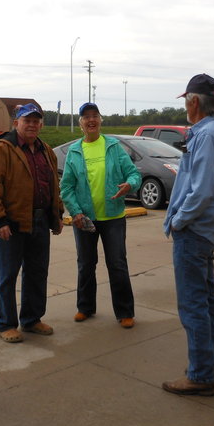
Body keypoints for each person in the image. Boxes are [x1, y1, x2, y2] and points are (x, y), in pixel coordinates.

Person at [162, 74, 214, 397]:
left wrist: (179, 220)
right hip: (207, 231)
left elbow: (200, 189)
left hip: (195, 231)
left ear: (194, 102)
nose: (185, 107)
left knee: (193, 305)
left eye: (186, 101)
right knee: (207, 301)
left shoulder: (206, 135)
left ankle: (201, 375)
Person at [0, 103, 64, 343]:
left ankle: (31, 319)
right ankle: (7, 323)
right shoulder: (3, 149)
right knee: (8, 275)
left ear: (41, 124)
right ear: (16, 123)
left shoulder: (45, 150)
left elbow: (52, 185)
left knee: (37, 272)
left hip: (40, 220)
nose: (32, 125)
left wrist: (56, 215)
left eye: (36, 121)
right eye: (27, 120)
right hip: (12, 223)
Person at [60, 102, 142, 328]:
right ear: (81, 124)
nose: (91, 120)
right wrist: (76, 212)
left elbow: (134, 174)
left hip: (113, 217)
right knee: (86, 264)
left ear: (100, 120)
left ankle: (125, 311)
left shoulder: (113, 147)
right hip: (84, 219)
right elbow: (66, 187)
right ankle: (85, 307)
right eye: (86, 117)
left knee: (117, 263)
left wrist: (130, 185)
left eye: (95, 116)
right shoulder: (75, 151)